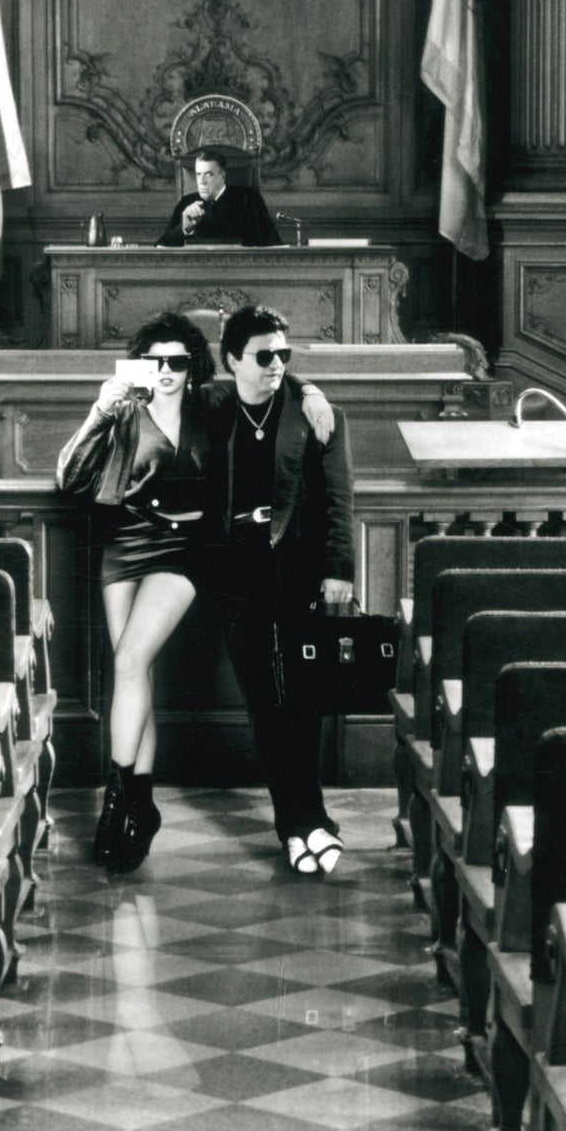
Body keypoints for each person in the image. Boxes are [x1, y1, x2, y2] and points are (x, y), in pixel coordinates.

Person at [55, 310, 334, 873]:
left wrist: (312, 389)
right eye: (154, 361)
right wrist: (100, 408)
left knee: (131, 659)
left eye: (177, 361)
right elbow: (70, 477)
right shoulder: (125, 409)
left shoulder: (212, 404)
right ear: (140, 364)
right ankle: (140, 805)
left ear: (194, 366)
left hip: (185, 550)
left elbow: (268, 376)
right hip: (125, 544)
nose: (165, 371)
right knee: (134, 671)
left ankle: (118, 799)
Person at [198, 304, 357, 876]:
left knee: (302, 699)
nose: (276, 364)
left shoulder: (318, 414)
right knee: (266, 703)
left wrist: (340, 569)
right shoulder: (211, 406)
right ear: (231, 360)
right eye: (263, 354)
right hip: (235, 575)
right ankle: (302, 824)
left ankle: (303, 821)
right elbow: (161, 384)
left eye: (284, 354)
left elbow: (339, 499)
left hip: (301, 571)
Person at [155, 147, 285, 248]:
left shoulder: (248, 198)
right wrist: (185, 228)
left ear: (222, 175)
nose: (202, 182)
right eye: (198, 174)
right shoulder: (187, 202)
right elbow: (161, 247)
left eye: (208, 174)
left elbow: (272, 245)